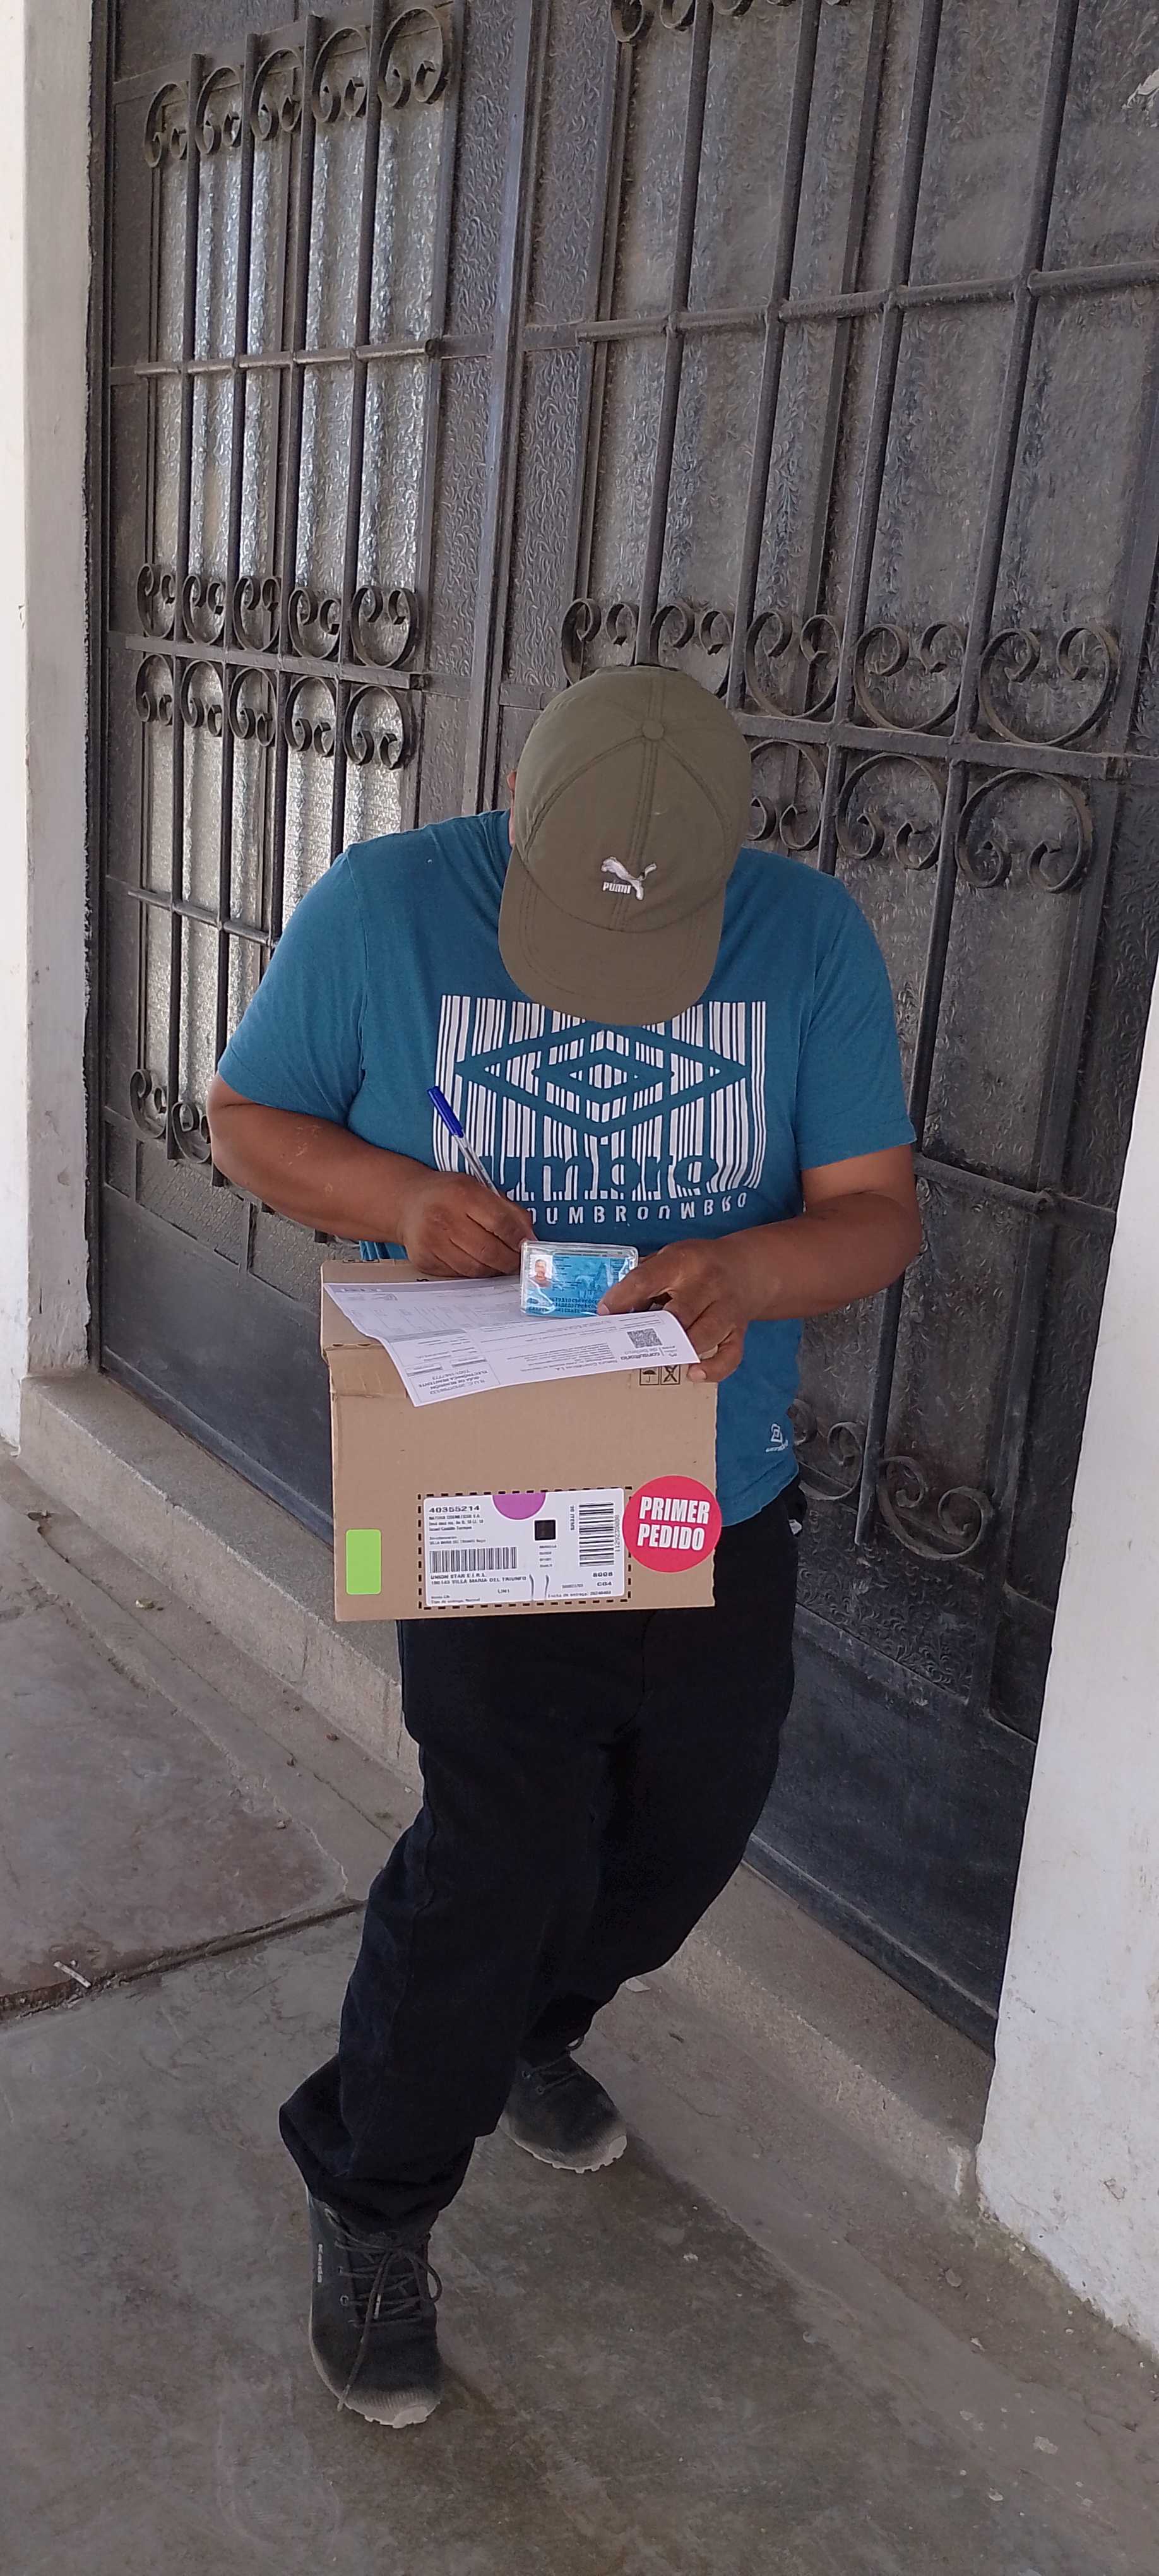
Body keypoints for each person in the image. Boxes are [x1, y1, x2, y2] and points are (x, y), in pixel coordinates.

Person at [207, 664, 920, 2428]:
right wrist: (400, 1199)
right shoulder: (386, 907)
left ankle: (535, 2023)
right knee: (501, 1850)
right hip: (481, 1468)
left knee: (688, 1828)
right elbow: (247, 1121)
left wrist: (746, 1272)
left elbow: (870, 1213)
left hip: (706, 1479)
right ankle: (375, 2186)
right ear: (518, 827)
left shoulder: (807, 939)